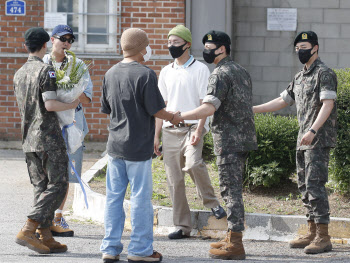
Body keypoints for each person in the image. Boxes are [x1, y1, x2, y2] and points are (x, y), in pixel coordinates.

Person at [99, 28, 182, 263]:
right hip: (138, 148)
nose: (149, 50)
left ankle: (110, 248)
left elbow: (108, 109)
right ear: (141, 48)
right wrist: (174, 117)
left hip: (115, 146)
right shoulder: (146, 74)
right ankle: (140, 250)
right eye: (146, 45)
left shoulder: (110, 73)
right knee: (140, 199)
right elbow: (156, 110)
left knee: (114, 198)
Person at [253, 31, 337, 255]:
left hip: (317, 139)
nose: (300, 50)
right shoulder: (299, 77)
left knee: (315, 186)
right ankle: (311, 231)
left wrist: (312, 130)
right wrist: (253, 109)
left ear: (316, 48)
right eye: (298, 47)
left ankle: (323, 236)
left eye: (305, 46)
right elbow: (283, 100)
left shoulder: (324, 73)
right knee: (304, 186)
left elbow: (327, 104)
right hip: (303, 140)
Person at [178, 30, 257, 260]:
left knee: (231, 192)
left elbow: (209, 107)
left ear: (222, 49)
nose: (206, 51)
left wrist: (179, 116)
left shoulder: (220, 74)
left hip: (229, 141)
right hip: (243, 139)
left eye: (210, 47)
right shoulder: (241, 71)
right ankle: (232, 236)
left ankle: (236, 243)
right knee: (233, 190)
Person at [154, 25, 226, 240]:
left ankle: (211, 203)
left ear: (187, 44)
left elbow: (206, 103)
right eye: (169, 43)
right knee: (174, 181)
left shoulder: (201, 69)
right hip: (169, 130)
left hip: (193, 126)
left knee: (194, 163)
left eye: (176, 43)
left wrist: (200, 128)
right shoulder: (166, 71)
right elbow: (161, 106)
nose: (171, 46)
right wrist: (155, 136)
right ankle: (182, 226)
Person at [13, 27, 80, 254]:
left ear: (26, 46)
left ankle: (45, 235)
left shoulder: (19, 73)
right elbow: (50, 105)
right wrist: (72, 104)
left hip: (28, 139)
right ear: (45, 45)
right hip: (48, 137)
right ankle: (29, 228)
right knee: (59, 184)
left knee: (40, 187)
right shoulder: (47, 71)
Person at [43, 24, 93, 237]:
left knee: (68, 172)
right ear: (52, 39)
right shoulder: (43, 63)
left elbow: (87, 97)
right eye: (63, 38)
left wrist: (72, 91)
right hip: (49, 123)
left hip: (73, 124)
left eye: (71, 39)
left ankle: (58, 215)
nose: (67, 43)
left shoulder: (78, 65)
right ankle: (43, 216)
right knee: (46, 172)